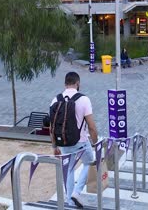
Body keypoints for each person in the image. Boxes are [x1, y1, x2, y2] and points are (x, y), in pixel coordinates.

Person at [50, 72, 98, 208]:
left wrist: (54, 146)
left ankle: (70, 201)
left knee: (69, 169)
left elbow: (51, 127)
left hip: (63, 141)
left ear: (65, 84)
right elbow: (91, 126)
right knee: (89, 162)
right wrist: (95, 143)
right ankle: (77, 192)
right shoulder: (84, 99)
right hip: (81, 141)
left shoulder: (55, 99)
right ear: (78, 84)